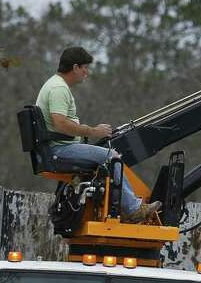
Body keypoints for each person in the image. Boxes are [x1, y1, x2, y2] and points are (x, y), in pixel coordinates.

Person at [35, 46, 160, 222]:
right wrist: (93, 131)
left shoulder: (54, 85)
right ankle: (132, 209)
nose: (86, 72)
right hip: (60, 150)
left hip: (58, 147)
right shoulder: (58, 89)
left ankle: (123, 206)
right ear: (75, 67)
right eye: (85, 67)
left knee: (106, 157)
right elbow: (60, 122)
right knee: (112, 157)